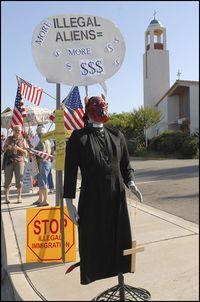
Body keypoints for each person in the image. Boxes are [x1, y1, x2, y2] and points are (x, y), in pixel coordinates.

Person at [63, 94, 143, 285]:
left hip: (117, 197)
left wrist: (131, 182)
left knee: (119, 235)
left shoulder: (117, 136)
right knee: (94, 238)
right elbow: (71, 172)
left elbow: (125, 165)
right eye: (96, 105)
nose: (101, 107)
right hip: (92, 199)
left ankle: (121, 270)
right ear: (89, 110)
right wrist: (68, 201)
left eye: (103, 104)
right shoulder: (78, 138)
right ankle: (96, 272)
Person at [3, 125, 28, 203]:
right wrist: (8, 148)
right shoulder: (9, 139)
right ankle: (7, 198)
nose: (17, 132)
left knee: (19, 180)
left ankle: (19, 197)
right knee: (7, 180)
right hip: (9, 161)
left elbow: (26, 152)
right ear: (13, 130)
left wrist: (18, 148)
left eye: (19, 130)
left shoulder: (23, 140)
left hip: (19, 161)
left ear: (21, 131)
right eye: (16, 130)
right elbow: (3, 149)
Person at [31, 126, 52, 207]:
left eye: (40, 134)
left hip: (43, 162)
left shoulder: (43, 141)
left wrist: (33, 151)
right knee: (41, 181)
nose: (39, 135)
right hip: (44, 162)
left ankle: (45, 200)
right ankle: (40, 199)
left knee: (43, 181)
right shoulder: (46, 140)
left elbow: (42, 152)